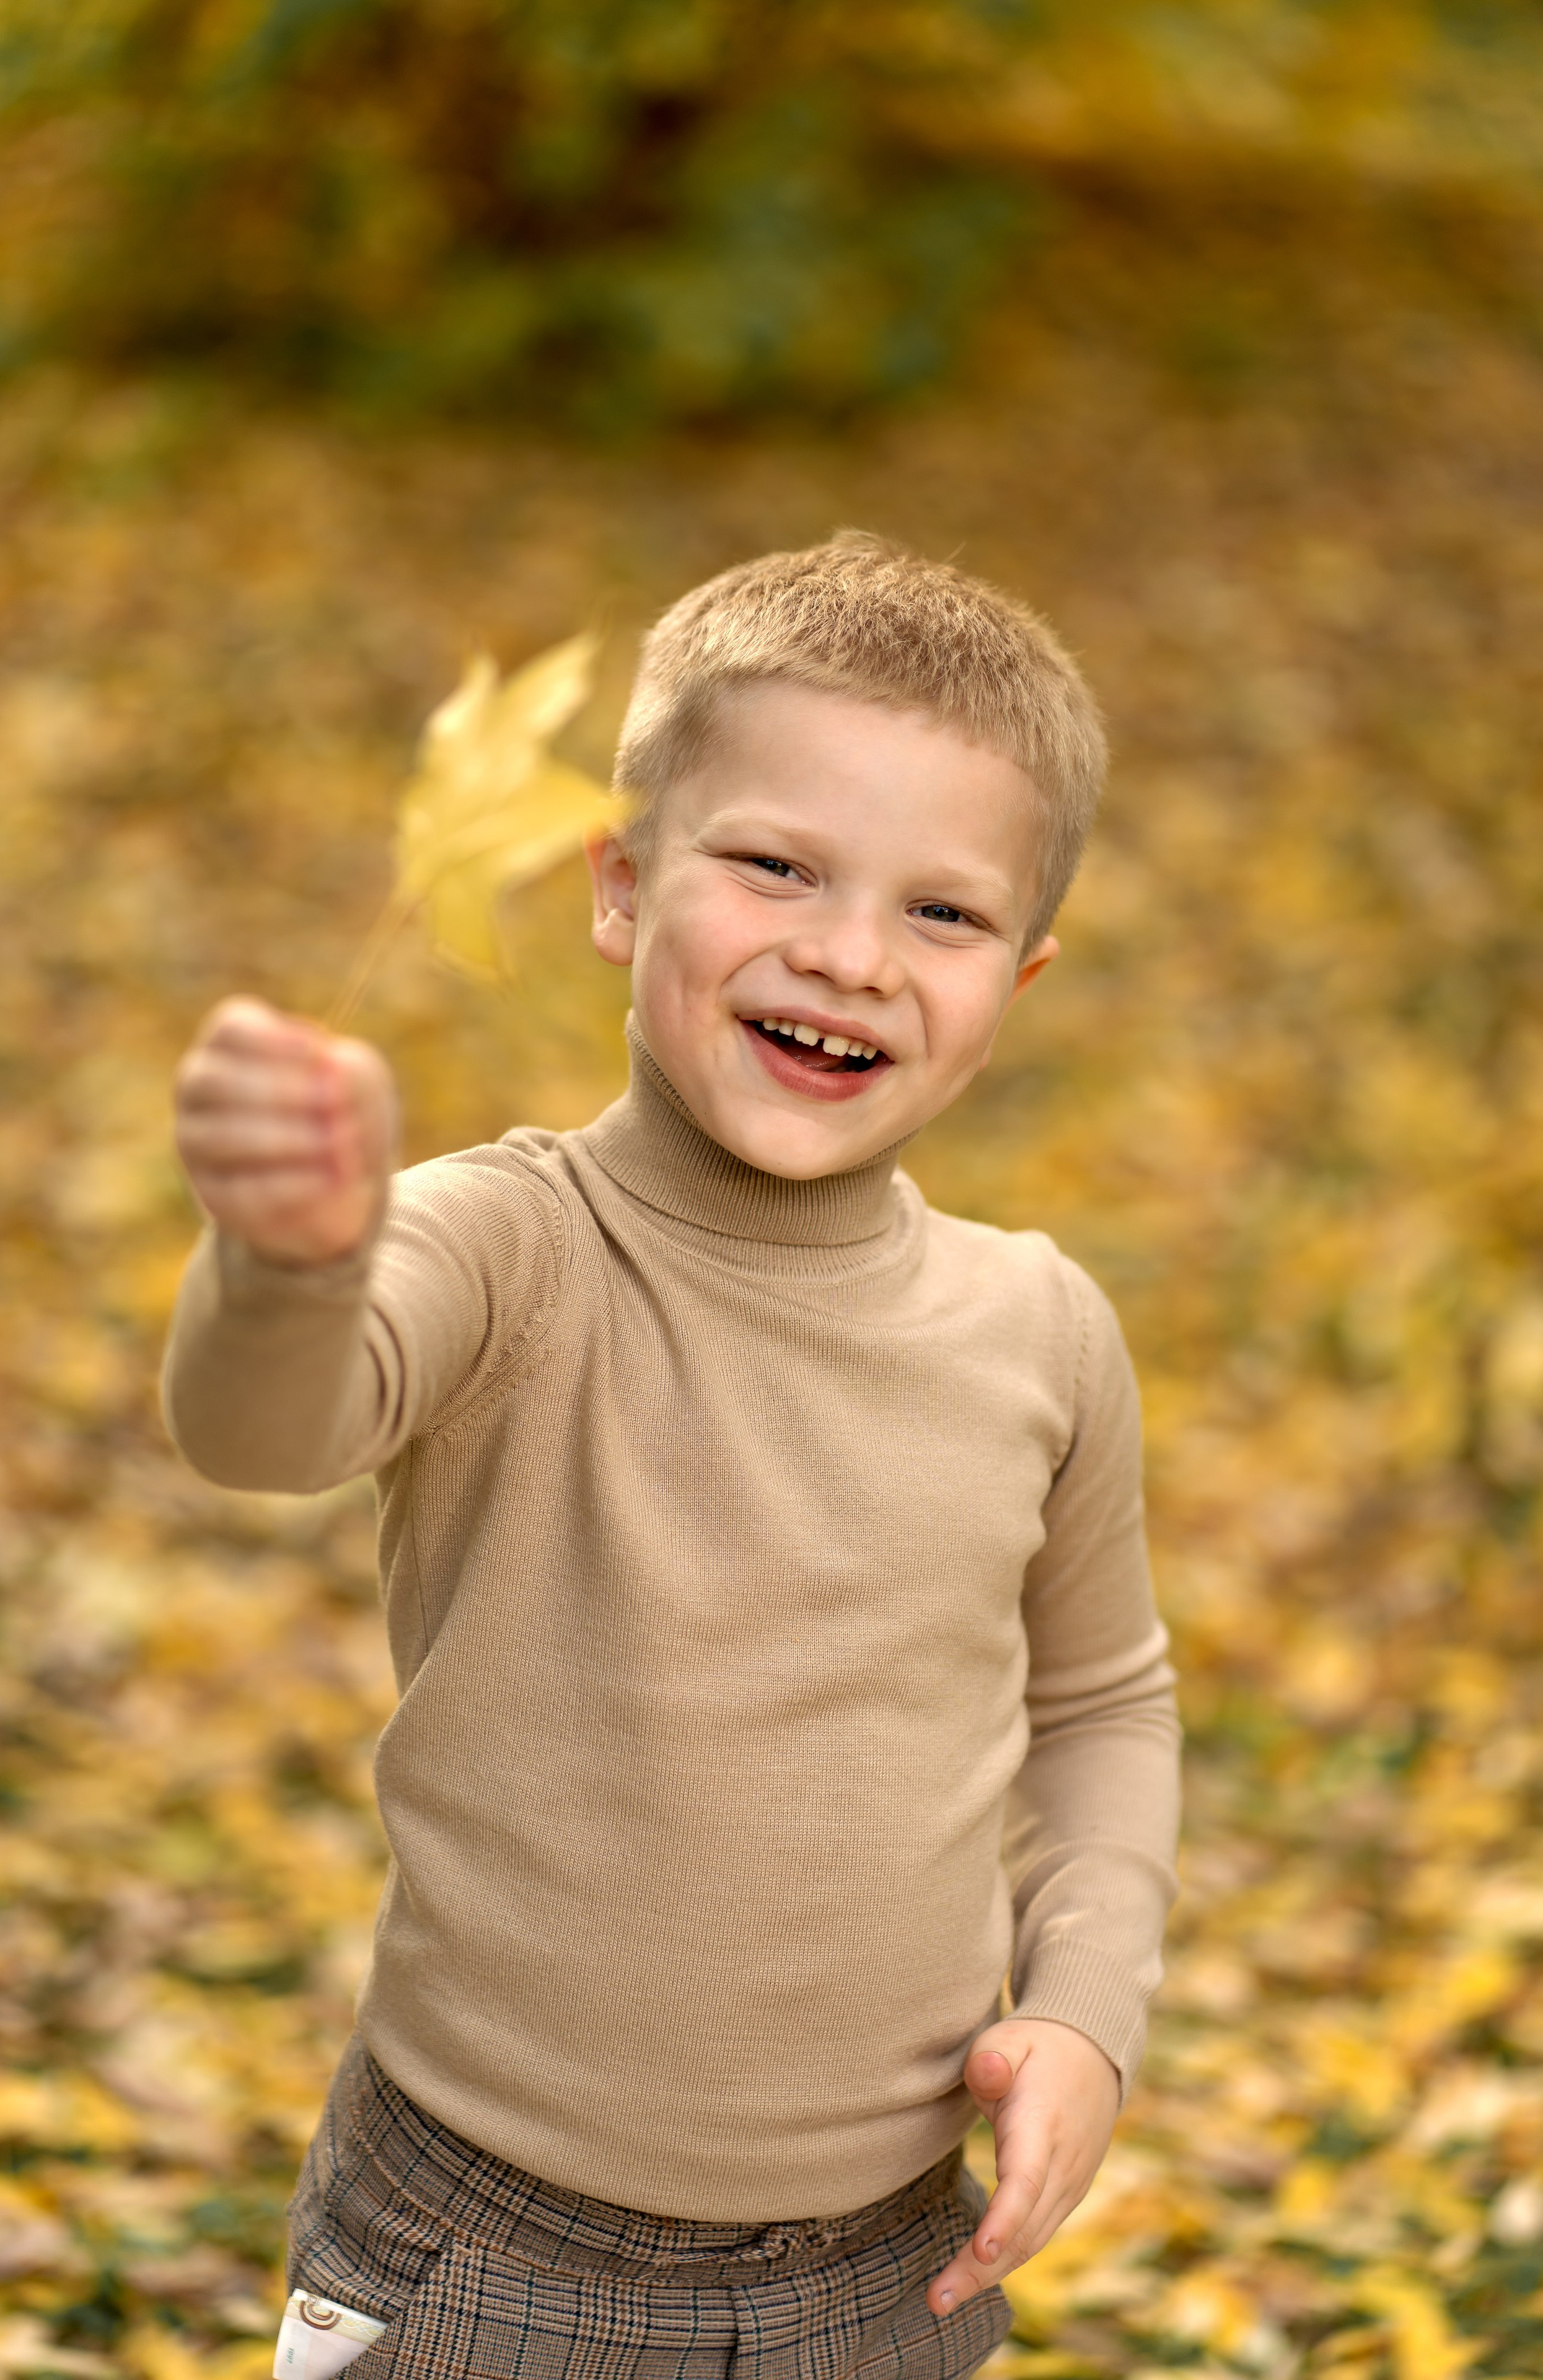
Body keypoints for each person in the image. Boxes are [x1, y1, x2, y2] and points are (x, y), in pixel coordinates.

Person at [164, 536, 1180, 2380]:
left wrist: (1089, 2014)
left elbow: (1106, 1701)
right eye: (775, 865)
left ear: (1019, 982)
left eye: (941, 915)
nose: (849, 954)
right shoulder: (508, 1247)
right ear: (623, 887)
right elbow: (259, 1429)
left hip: (889, 2279)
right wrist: (285, 1263)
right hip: (485, 2255)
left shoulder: (1040, 1331)